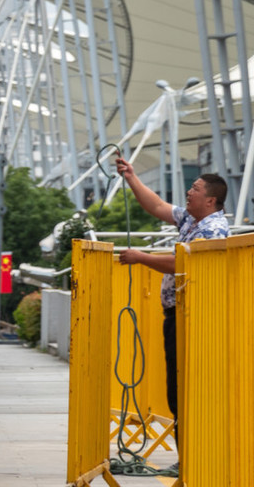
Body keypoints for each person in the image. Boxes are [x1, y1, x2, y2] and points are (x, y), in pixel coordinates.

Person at [114, 158, 228, 453]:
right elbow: (157, 207)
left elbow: (183, 264)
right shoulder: (194, 219)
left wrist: (142, 258)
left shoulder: (213, 229)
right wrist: (131, 176)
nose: (189, 193)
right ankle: (187, 457)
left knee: (186, 390)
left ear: (211, 199)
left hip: (194, 318)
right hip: (178, 315)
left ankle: (194, 458)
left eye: (195, 189)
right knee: (176, 389)